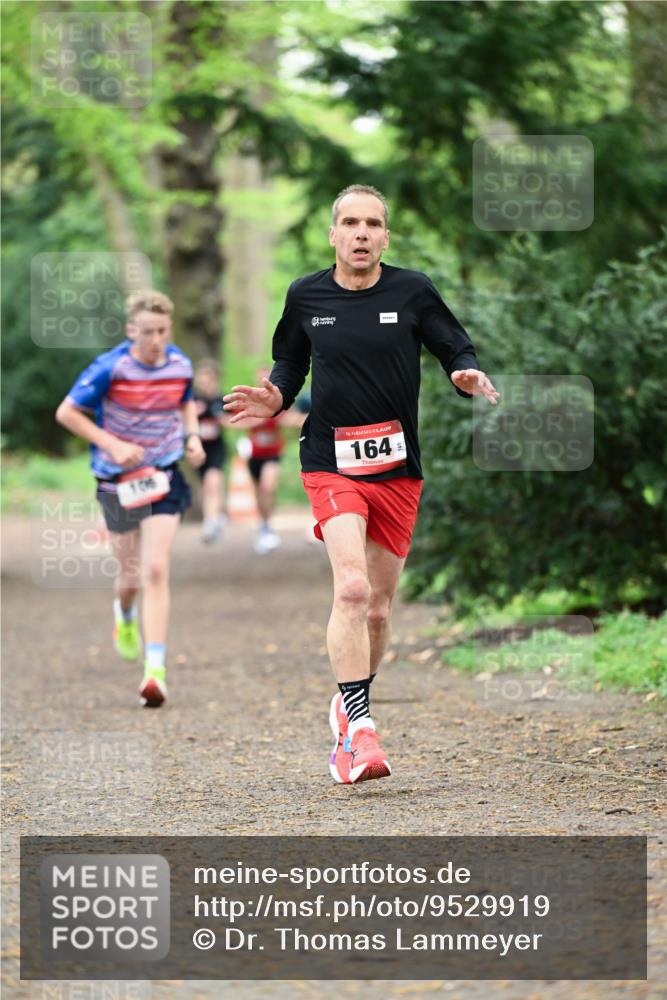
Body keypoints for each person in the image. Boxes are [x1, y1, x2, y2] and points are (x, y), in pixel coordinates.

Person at [224, 184, 499, 784]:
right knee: (350, 589)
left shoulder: (412, 290)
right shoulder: (306, 295)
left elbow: (453, 345)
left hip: (398, 468)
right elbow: (290, 365)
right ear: (333, 234)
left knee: (376, 608)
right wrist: (273, 396)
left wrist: (465, 373)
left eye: (373, 223)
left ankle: (351, 701)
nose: (361, 233)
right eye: (350, 222)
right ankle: (359, 731)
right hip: (330, 459)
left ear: (385, 235)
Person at [55, 290, 205, 708]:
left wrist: (191, 436)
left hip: (163, 474)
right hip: (119, 478)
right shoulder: (111, 367)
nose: (155, 340)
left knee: (156, 569)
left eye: (161, 331)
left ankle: (154, 670)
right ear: (130, 330)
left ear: (169, 328)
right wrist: (113, 444)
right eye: (147, 333)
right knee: (131, 578)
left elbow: (186, 402)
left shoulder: (180, 364)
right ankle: (123, 616)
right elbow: (66, 413)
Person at [193, 359, 228, 544]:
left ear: (215, 380)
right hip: (199, 449)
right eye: (201, 380)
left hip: (216, 448)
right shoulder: (192, 400)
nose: (204, 384)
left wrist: (222, 419)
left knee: (212, 480)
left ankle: (210, 521)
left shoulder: (221, 400)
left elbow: (232, 420)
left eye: (208, 380)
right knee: (205, 485)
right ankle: (215, 515)